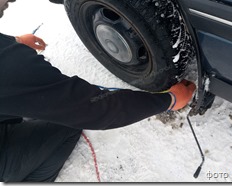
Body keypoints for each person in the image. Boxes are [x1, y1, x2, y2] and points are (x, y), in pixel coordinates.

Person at [0, 0, 196, 182]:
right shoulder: (8, 64)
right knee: (68, 122)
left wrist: (14, 41)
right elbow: (93, 109)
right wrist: (169, 100)